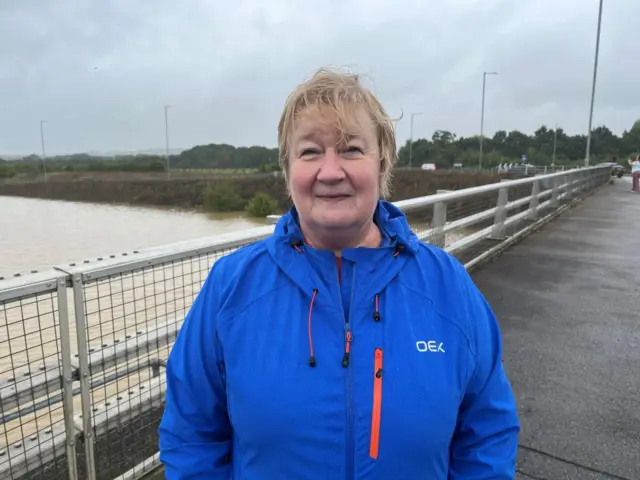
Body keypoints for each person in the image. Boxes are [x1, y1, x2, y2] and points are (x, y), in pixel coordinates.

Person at [158, 67, 520, 479]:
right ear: (287, 169)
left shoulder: (448, 286)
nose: (330, 172)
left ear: (382, 162)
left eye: (350, 149)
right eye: (310, 152)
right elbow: (192, 435)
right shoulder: (231, 286)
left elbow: (487, 434)